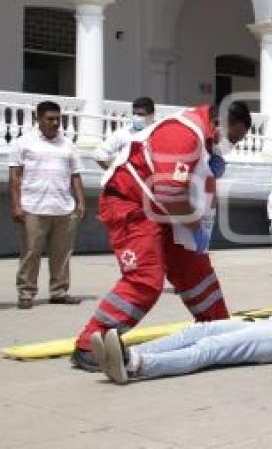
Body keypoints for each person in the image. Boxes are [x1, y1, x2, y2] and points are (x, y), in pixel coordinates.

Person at [71, 102, 252, 371]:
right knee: (145, 280)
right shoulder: (182, 135)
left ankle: (217, 329)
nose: (231, 146)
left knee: (196, 271)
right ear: (218, 125)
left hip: (161, 209)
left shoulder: (201, 138)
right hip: (131, 205)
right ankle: (90, 344)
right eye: (233, 139)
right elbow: (171, 193)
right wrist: (194, 228)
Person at [89, 308, 272, 383]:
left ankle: (137, 366)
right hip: (268, 325)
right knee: (201, 329)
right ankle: (134, 352)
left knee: (212, 347)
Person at [8, 101, 85, 310]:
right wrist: (16, 205)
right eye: (50, 119)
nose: (55, 123)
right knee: (31, 253)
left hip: (63, 208)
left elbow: (75, 175)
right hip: (33, 208)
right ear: (38, 119)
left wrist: (81, 202)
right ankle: (26, 292)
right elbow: (15, 177)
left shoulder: (68, 144)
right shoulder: (23, 143)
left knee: (62, 254)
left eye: (58, 119)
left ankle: (59, 292)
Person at [94, 96, 156, 169]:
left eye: (141, 114)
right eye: (134, 114)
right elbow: (99, 154)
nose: (137, 117)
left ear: (152, 115)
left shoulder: (159, 132)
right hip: (130, 177)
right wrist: (115, 172)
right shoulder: (124, 133)